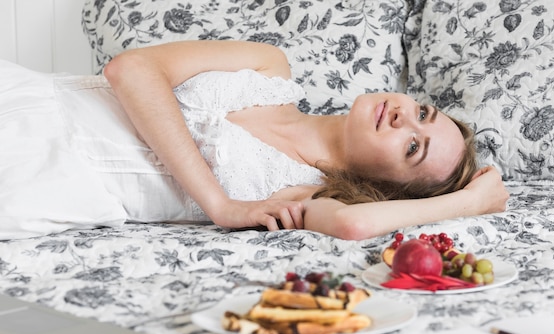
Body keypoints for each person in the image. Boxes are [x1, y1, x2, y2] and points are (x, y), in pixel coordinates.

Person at [0, 40, 508, 241]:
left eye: (413, 145)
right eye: (423, 111)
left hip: (46, 177)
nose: (404, 117)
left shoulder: (304, 193)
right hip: (30, 98)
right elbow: (130, 69)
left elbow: (355, 223)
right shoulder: (268, 66)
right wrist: (219, 203)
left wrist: (466, 203)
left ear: (389, 185)